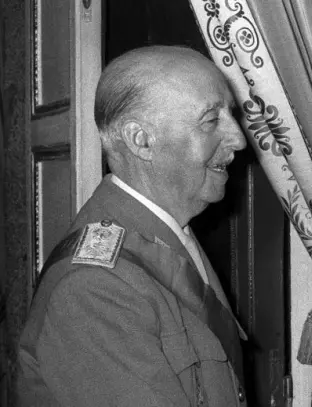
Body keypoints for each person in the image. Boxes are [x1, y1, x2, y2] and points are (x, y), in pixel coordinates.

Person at [17, 46, 249, 406]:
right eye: (210, 120)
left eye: (230, 114)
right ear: (141, 140)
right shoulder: (94, 288)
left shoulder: (170, 234)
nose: (238, 139)